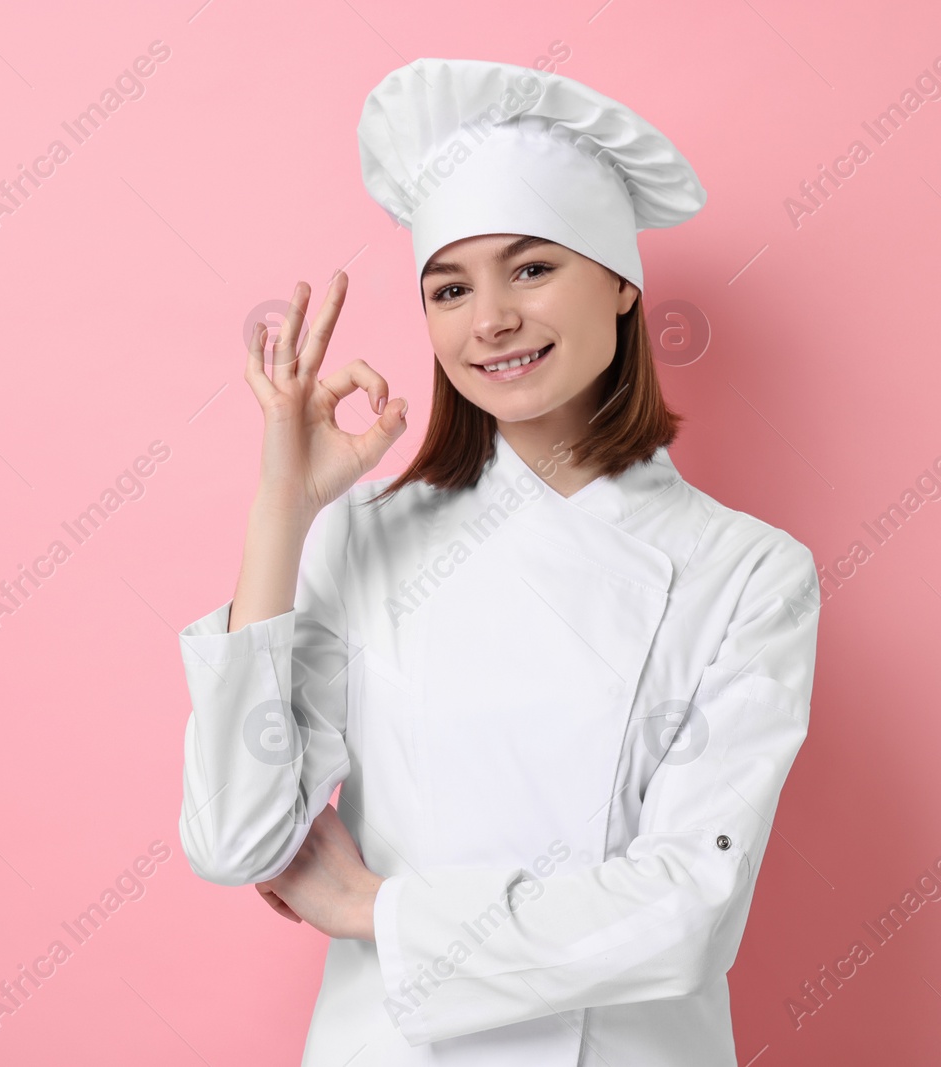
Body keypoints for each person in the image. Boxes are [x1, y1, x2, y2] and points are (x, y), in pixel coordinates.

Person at [177, 57, 821, 1065]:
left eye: (531, 268)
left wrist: (374, 907)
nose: (490, 321)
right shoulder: (361, 538)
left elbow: (688, 909)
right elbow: (237, 838)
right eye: (449, 287)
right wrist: (283, 513)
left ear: (618, 283)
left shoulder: (746, 571)